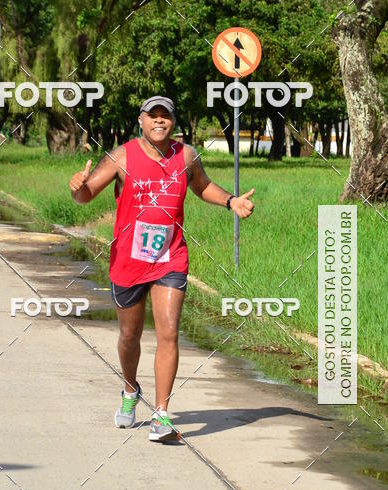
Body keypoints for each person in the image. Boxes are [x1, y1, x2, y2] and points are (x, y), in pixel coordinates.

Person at [69, 96, 255, 443]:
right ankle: (130, 390)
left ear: (172, 121)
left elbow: (202, 186)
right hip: (128, 260)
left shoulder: (186, 156)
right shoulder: (122, 156)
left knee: (168, 332)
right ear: (140, 121)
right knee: (129, 337)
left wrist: (231, 201)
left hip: (170, 257)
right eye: (152, 116)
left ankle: (161, 415)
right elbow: (87, 194)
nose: (159, 121)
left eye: (164, 116)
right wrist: (78, 188)